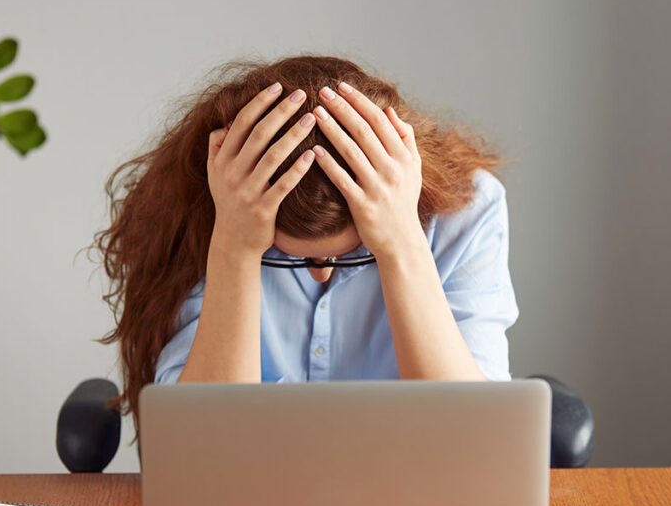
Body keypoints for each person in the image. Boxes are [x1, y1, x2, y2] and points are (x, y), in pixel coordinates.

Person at [94, 55, 518, 429]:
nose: (323, 272)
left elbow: (471, 435)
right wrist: (235, 248)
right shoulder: (208, 209)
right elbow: (202, 442)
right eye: (289, 257)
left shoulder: (468, 212)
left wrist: (401, 243)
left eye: (353, 253)